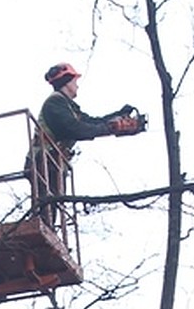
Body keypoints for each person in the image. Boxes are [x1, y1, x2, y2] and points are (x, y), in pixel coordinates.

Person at [29, 62, 146, 222]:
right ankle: (41, 233)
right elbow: (77, 129)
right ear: (67, 82)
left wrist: (117, 115)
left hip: (53, 163)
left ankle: (44, 232)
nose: (77, 85)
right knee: (46, 211)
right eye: (75, 81)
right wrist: (110, 128)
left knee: (51, 210)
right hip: (43, 161)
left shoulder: (68, 107)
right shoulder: (54, 103)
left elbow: (92, 122)